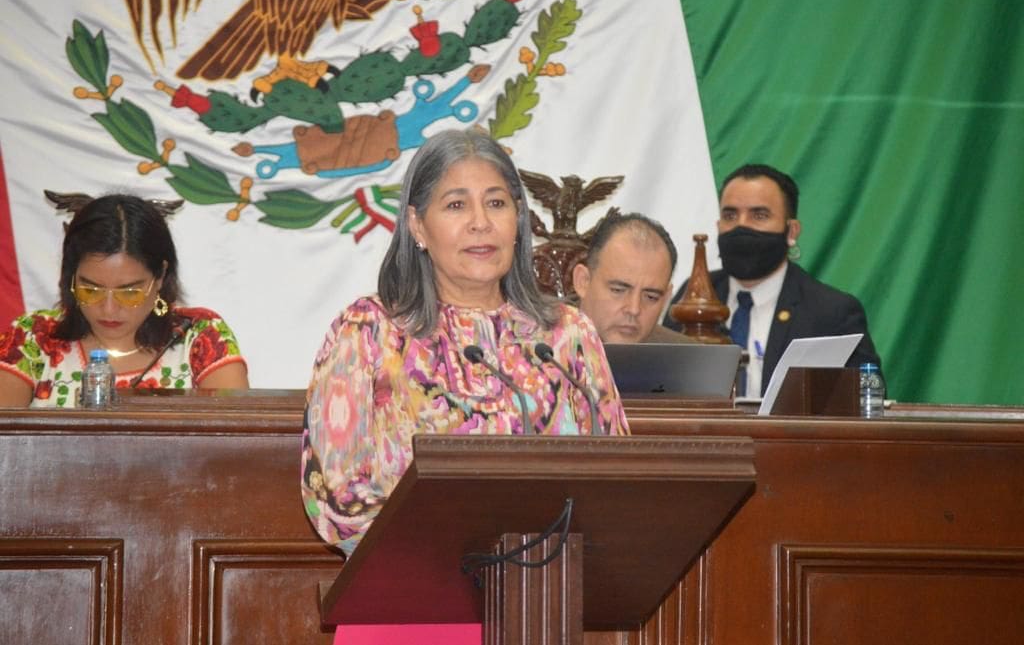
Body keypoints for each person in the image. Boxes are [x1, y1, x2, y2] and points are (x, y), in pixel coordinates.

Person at [302, 129, 628, 560]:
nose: (481, 222)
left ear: (518, 220)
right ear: (417, 225)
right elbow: (335, 499)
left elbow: (616, 478)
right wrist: (460, 549)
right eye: (456, 205)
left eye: (496, 203)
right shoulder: (370, 330)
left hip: (543, 584)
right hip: (413, 582)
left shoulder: (567, 334)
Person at [0, 194, 249, 407]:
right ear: (71, 277)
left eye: (129, 292)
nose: (109, 309)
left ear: (160, 276)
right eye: (91, 289)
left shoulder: (200, 337)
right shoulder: (32, 338)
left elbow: (237, 441)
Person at [664, 164, 881, 397]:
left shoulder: (831, 312)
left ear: (791, 231)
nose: (742, 226)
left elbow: (869, 397)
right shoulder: (693, 299)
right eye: (730, 216)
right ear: (718, 226)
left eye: (759, 215)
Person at [572, 212, 694, 344]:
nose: (634, 309)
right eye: (618, 290)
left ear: (666, 299)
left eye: (651, 297)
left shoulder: (686, 354)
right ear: (583, 281)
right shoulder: (555, 345)